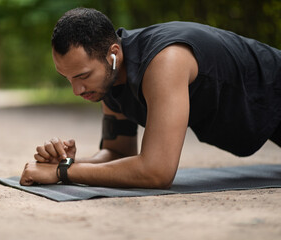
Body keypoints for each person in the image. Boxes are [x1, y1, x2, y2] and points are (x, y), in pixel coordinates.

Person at [20, 8, 281, 188]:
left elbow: (157, 172)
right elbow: (116, 152)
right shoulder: (109, 79)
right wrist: (68, 162)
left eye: (83, 75)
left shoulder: (164, 61)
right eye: (68, 79)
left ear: (113, 54)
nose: (77, 90)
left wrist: (62, 173)